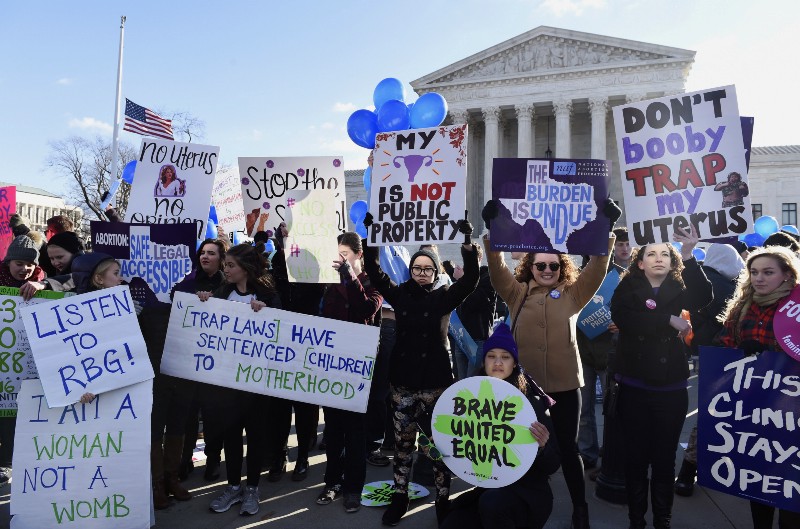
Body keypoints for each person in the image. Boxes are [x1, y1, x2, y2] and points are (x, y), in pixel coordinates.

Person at [481, 198, 621, 529]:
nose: (546, 271)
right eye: (540, 266)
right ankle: (515, 503)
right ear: (529, 266)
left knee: (568, 450)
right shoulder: (515, 294)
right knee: (520, 444)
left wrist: (606, 226)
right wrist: (493, 228)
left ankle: (580, 507)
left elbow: (599, 264)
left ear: (562, 268)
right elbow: (497, 266)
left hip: (564, 386)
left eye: (553, 266)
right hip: (523, 388)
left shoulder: (574, 294)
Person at [362, 212, 479, 527]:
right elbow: (373, 271)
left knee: (437, 448)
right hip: (402, 384)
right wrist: (372, 235)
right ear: (411, 270)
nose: (422, 273)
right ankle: (399, 496)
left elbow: (469, 280)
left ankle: (443, 501)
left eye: (428, 268)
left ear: (436, 270)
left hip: (436, 385)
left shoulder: (443, 298)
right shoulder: (399, 295)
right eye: (417, 268)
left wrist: (467, 242)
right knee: (402, 446)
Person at [610, 226, 713, 529]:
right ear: (640, 262)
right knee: (636, 460)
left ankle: (662, 520)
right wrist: (667, 319)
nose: (658, 259)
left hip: (671, 388)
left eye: (665, 254)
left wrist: (691, 253)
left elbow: (702, 298)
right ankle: (636, 520)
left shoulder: (680, 285)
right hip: (634, 386)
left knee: (665, 459)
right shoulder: (627, 287)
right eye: (651, 254)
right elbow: (624, 318)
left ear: (672, 261)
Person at [439, 323, 560, 529]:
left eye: (505, 357)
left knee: (492, 504)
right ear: (483, 361)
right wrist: (438, 448)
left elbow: (553, 465)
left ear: (514, 364)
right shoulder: (470, 400)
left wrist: (543, 446)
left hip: (527, 495)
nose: (497, 362)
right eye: (491, 356)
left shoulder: (531, 404)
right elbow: (461, 453)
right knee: (452, 523)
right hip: (489, 490)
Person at [717, 246, 800, 529]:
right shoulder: (741, 308)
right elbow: (725, 347)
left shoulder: (796, 309)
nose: (759, 279)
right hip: (753, 410)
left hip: (791, 414)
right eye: (754, 272)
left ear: (787, 275)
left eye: (768, 272)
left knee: (790, 486)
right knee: (759, 481)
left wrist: (772, 355)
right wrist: (740, 351)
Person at [199, 243, 281, 516]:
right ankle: (233, 486)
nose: (226, 270)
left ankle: (252, 488)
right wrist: (201, 301)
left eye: (231, 265)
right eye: (226, 266)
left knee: (256, 436)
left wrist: (268, 312)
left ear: (245, 269)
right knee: (231, 436)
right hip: (228, 383)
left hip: (257, 383)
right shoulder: (222, 293)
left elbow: (283, 332)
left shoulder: (268, 295)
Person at [315, 232, 382, 513]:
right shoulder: (328, 286)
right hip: (331, 368)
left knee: (355, 433)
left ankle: (354, 487)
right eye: (337, 255)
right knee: (333, 430)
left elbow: (366, 308)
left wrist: (348, 276)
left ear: (358, 255)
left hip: (357, 371)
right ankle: (332, 481)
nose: (339, 260)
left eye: (345, 255)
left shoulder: (371, 284)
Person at [674, 243, 744, 497]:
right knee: (724, 416)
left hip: (703, 351)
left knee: (709, 412)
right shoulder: (733, 287)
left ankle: (687, 472)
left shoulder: (699, 279)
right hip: (728, 355)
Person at [173, 239, 229, 482]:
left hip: (215, 361)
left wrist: (213, 300)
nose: (205, 257)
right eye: (202, 253)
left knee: (214, 414)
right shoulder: (187, 282)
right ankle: (183, 461)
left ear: (221, 258)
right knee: (187, 413)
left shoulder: (226, 285)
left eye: (211, 253)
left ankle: (213, 460)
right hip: (189, 357)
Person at [0, 235, 46, 484]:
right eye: (19, 263)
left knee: (17, 413)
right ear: (8, 262)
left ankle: (9, 462)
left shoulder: (44, 285)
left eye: (29, 264)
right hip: (3, 360)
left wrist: (44, 286)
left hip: (28, 364)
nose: (24, 269)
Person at [450, 244, 498, 379]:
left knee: (474, 382)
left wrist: (461, 280)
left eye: (473, 256)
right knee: (461, 383)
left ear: (480, 257)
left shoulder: (488, 276)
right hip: (461, 338)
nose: (469, 260)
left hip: (478, 340)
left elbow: (478, 302)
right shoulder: (462, 278)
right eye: (466, 257)